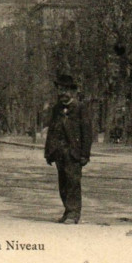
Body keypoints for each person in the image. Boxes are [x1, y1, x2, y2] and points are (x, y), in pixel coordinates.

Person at [44, 74, 92, 224]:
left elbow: (87, 131)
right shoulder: (56, 109)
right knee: (63, 183)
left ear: (72, 92)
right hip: (59, 152)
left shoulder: (80, 108)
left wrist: (85, 154)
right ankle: (67, 210)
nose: (62, 93)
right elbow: (52, 130)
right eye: (60, 90)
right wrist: (48, 152)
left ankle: (73, 213)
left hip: (74, 153)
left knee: (73, 182)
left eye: (65, 90)